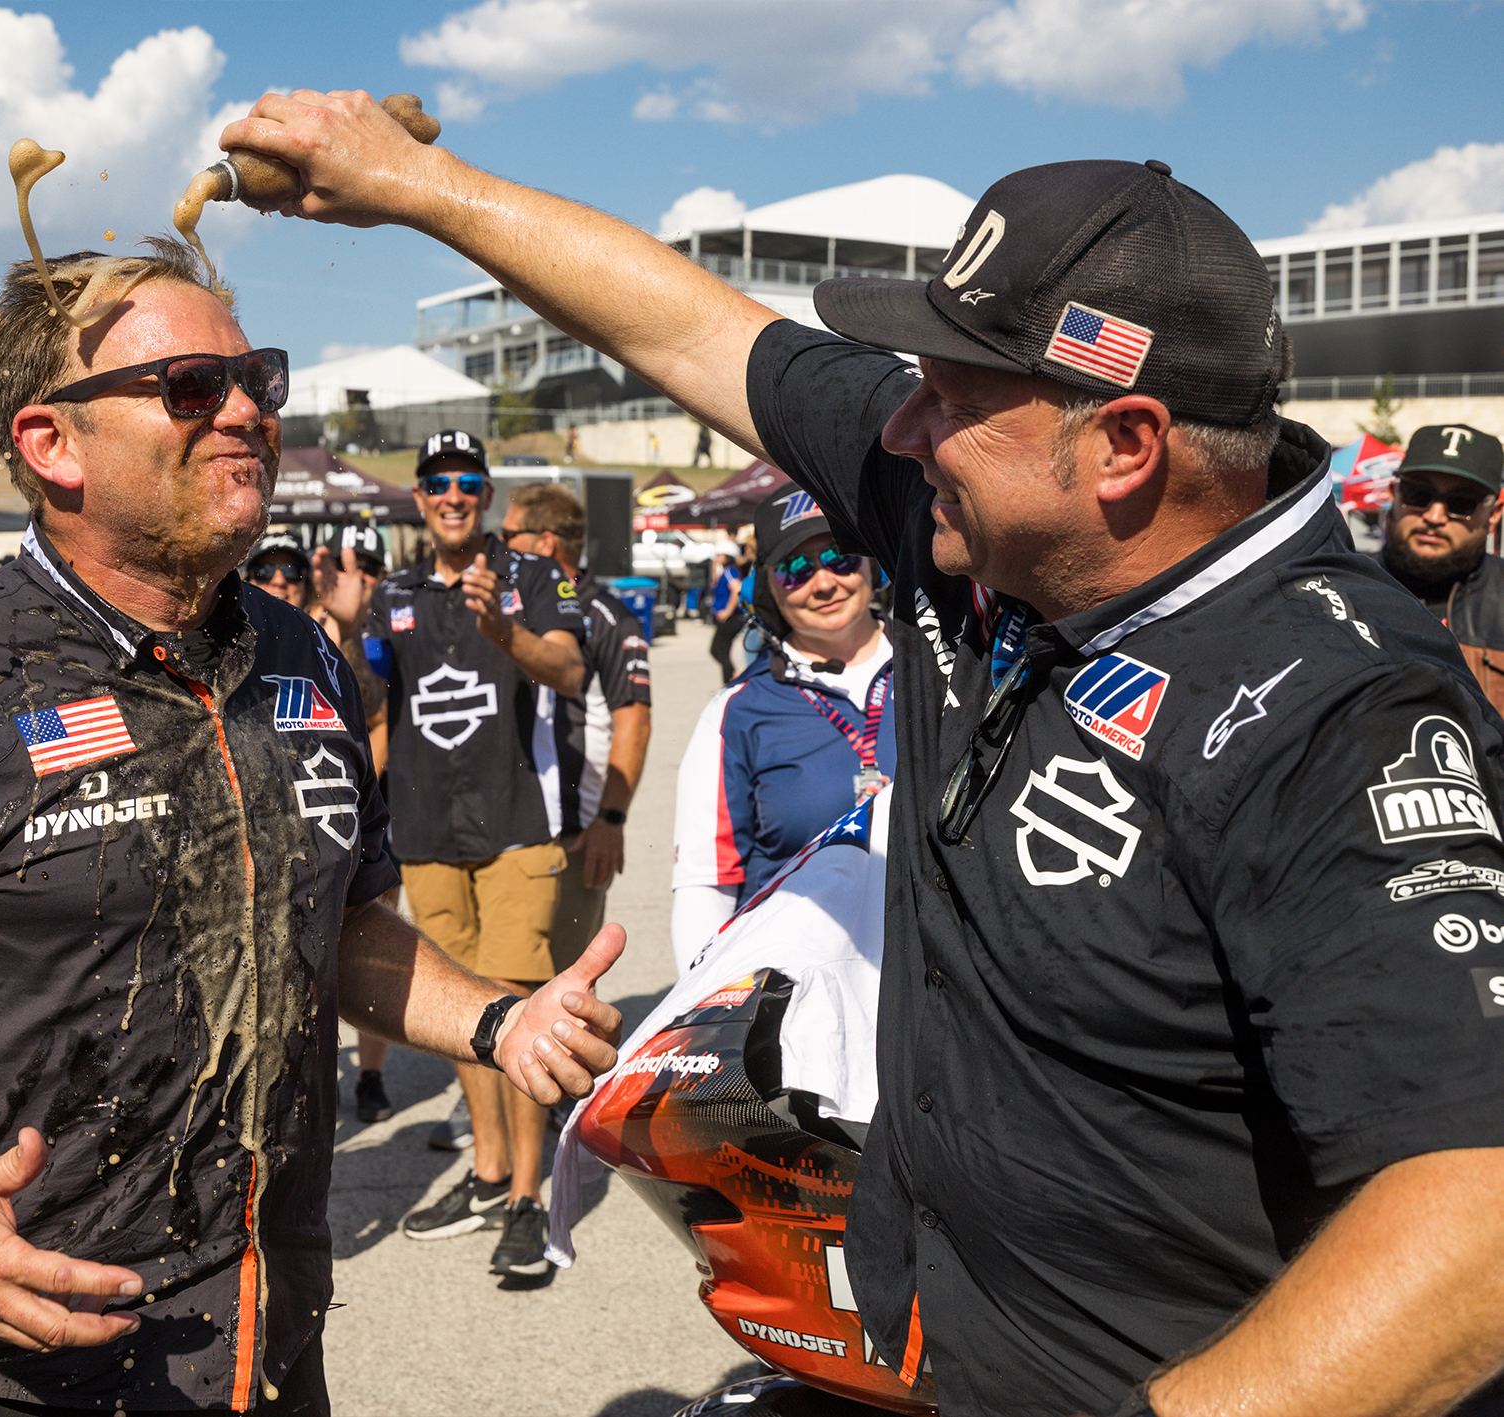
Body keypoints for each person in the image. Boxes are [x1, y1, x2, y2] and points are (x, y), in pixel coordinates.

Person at [221, 96, 1504, 1417]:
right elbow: (696, 329)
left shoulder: (1333, 710)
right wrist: (421, 186)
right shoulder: (982, 516)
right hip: (925, 1352)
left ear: (1123, 446)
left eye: (946, 395)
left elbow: (1471, 1218)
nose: (896, 428)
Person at [0, 239, 624, 1414]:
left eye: (259, 379)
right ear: (50, 443)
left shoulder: (302, 658)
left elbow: (337, 925)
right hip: (20, 1352)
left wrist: (495, 1018)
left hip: (264, 1332)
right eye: (192, 386)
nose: (246, 410)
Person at [364, 428, 586, 1279]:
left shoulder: (534, 575)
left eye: (466, 481)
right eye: (435, 483)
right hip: (423, 828)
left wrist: (505, 633)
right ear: (418, 498)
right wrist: (346, 627)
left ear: (485, 495)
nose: (451, 494)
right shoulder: (396, 593)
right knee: (464, 1016)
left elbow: (567, 670)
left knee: (520, 1012)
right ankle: (488, 1168)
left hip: (515, 821)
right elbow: (375, 702)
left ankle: (528, 1195)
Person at [669, 485, 891, 970]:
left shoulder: (939, 672)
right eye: (796, 570)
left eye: (841, 558)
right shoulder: (735, 712)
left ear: (871, 563)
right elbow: (706, 882)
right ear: (766, 587)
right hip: (793, 986)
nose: (824, 583)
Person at [501, 483, 651, 981]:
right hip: (504, 832)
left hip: (575, 834)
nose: (497, 546)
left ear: (545, 543)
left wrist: (611, 818)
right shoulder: (506, 607)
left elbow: (634, 717)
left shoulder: (606, 615)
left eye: (508, 535)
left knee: (564, 986)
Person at [308, 522, 401, 1123]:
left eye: (370, 562)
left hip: (360, 818)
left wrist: (350, 623)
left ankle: (370, 1075)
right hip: (296, 825)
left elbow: (377, 719)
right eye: (269, 572)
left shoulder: (373, 630)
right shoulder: (274, 629)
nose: (360, 573)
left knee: (378, 935)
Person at [1376, 424, 1504, 714]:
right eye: (1418, 494)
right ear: (1393, 493)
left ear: (1494, 513)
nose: (1434, 516)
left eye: (1462, 503)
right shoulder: (1337, 586)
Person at [706, 544, 743, 683]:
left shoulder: (730, 571)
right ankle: (729, 681)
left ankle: (735, 677)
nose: (716, 557)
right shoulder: (725, 571)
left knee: (717, 650)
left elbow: (736, 589)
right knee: (722, 652)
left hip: (731, 618)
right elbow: (715, 583)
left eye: (719, 555)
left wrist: (728, 610)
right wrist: (715, 565)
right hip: (725, 618)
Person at [245, 530, 312, 605]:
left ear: (307, 586)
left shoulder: (323, 614)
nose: (279, 581)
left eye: (291, 571)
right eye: (264, 571)